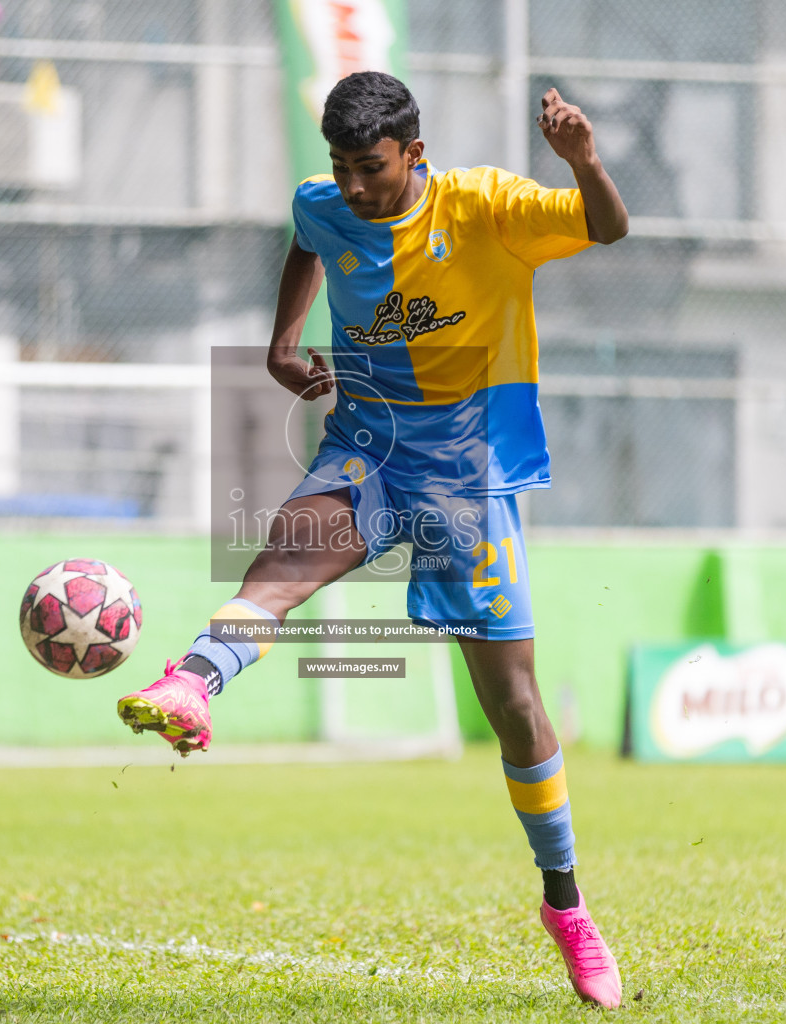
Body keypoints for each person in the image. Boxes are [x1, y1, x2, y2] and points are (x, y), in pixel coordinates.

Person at [116, 71, 630, 1007]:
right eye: (341, 167)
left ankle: (565, 905)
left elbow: (607, 228)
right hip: (367, 448)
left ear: (414, 153)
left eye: (370, 168)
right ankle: (189, 683)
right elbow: (307, 238)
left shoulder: (488, 206)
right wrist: (283, 339)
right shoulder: (327, 205)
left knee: (513, 705)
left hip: (468, 477)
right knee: (281, 558)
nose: (352, 187)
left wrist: (585, 162)